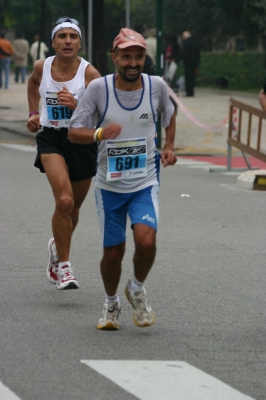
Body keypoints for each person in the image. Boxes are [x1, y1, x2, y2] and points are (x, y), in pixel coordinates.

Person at [68, 28, 177, 330]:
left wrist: (168, 146)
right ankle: (111, 302)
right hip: (108, 186)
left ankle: (137, 288)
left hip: (145, 181)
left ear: (145, 58)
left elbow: (169, 116)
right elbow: (74, 132)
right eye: (126, 56)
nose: (133, 62)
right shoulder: (99, 90)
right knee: (113, 252)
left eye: (138, 56)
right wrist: (101, 133)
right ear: (114, 57)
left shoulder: (156, 86)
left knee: (146, 241)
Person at [26, 16, 101, 290]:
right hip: (52, 139)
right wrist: (34, 113)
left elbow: (104, 112)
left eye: (73, 36)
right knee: (65, 201)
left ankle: (56, 246)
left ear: (80, 42)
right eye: (62, 36)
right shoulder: (42, 66)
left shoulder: (91, 75)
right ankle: (65, 268)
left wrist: (77, 105)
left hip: (81, 141)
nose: (67, 41)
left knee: (73, 208)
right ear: (53, 41)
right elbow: (33, 84)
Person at [179, 31, 200, 97]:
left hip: (188, 63)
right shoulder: (195, 42)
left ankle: (189, 92)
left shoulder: (187, 43)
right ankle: (191, 91)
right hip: (195, 63)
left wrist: (177, 59)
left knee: (188, 78)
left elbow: (183, 53)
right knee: (192, 78)